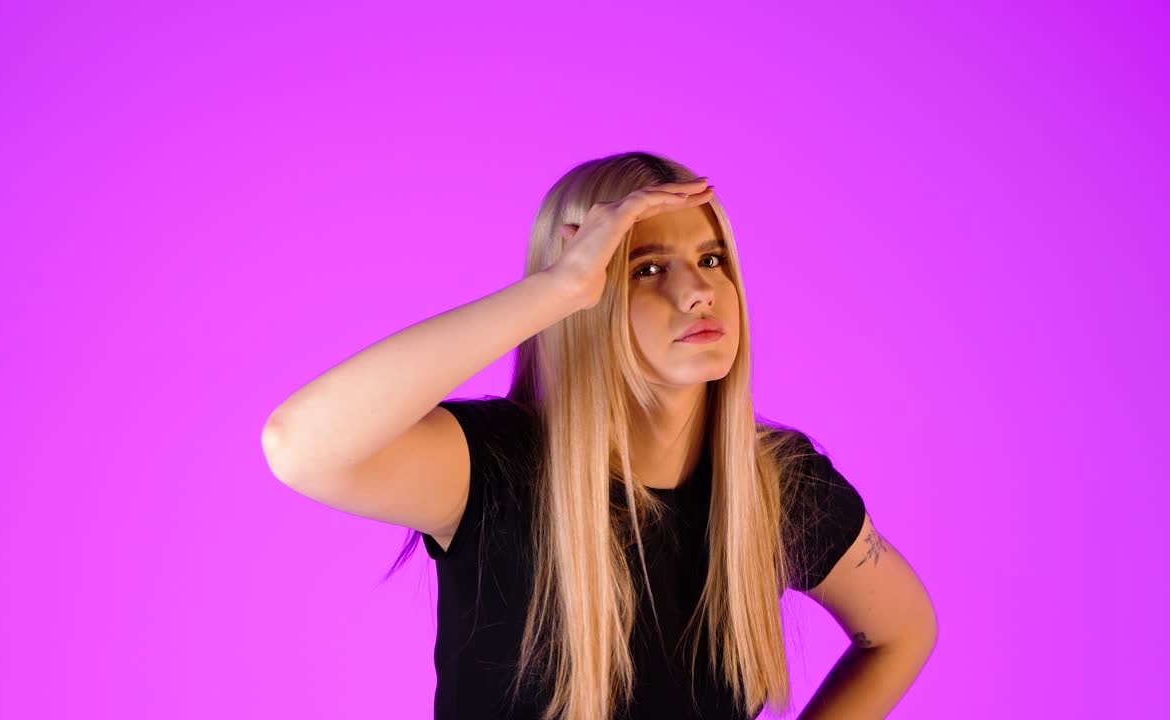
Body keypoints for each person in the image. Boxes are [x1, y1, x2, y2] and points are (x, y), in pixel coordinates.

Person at [261, 151, 938, 720]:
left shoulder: (779, 484)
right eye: (646, 268)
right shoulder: (494, 468)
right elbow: (299, 445)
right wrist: (555, 291)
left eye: (710, 259)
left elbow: (903, 632)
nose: (697, 291)